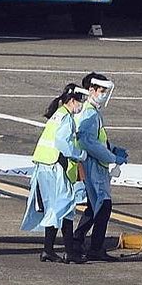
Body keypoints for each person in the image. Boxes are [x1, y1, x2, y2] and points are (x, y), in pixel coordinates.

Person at [21, 83, 89, 264]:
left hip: (44, 165)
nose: (81, 106)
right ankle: (69, 252)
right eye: (79, 102)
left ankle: (49, 250)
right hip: (55, 166)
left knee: (54, 208)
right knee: (65, 208)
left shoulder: (57, 115)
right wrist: (79, 154)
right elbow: (63, 144)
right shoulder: (66, 118)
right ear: (72, 101)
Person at [73, 73, 128, 262]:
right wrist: (112, 156)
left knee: (93, 206)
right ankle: (95, 247)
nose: (104, 94)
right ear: (91, 90)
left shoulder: (93, 112)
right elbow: (89, 142)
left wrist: (111, 148)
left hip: (96, 164)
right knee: (103, 206)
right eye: (101, 91)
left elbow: (98, 139)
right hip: (93, 166)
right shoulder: (89, 113)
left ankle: (77, 240)